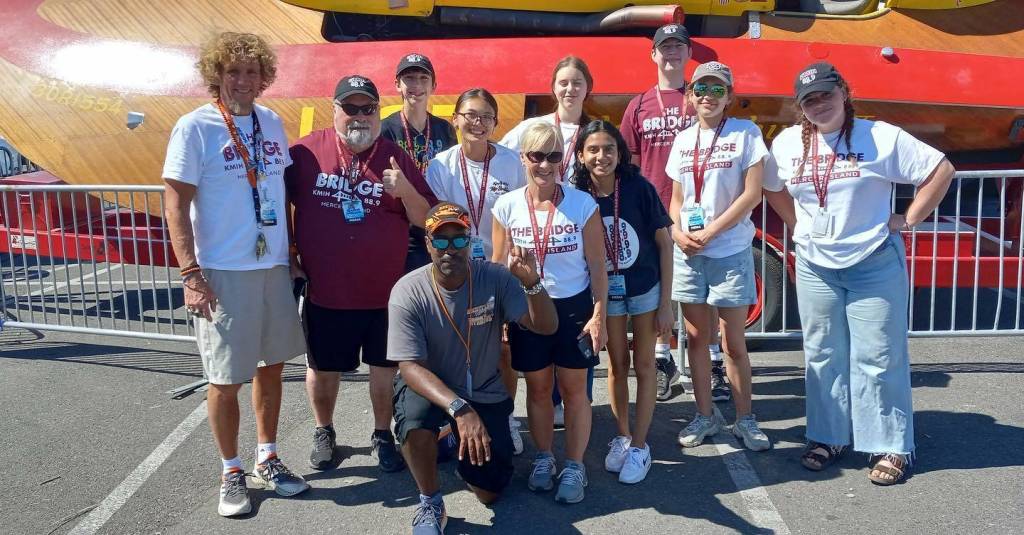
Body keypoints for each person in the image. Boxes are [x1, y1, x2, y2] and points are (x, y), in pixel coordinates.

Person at [763, 62, 954, 484]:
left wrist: (908, 219)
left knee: (879, 356)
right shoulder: (788, 143)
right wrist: (797, 225)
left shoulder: (878, 135)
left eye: (826, 95)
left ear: (844, 93)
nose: (819, 104)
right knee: (823, 354)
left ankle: (891, 445)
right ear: (800, 107)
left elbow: (940, 170)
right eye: (809, 99)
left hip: (872, 261)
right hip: (816, 264)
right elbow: (772, 185)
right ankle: (829, 436)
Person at [163, 32, 308, 517]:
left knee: (271, 368)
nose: (243, 80)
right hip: (224, 270)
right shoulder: (195, 127)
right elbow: (175, 204)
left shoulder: (271, 121)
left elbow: (280, 192)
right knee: (225, 379)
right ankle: (231, 469)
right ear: (217, 75)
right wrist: (190, 273)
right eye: (233, 72)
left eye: (251, 71)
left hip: (271, 266)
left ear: (263, 76)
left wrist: (291, 252)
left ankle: (268, 456)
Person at [286, 74, 436, 474]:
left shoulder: (393, 155)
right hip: (326, 291)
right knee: (322, 368)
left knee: (383, 371)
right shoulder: (304, 152)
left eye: (368, 108)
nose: (360, 116)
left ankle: (381, 434)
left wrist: (404, 190)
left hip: (383, 293)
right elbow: (271, 200)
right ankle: (324, 430)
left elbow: (427, 220)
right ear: (333, 110)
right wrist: (288, 254)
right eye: (350, 108)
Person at [388, 202, 557, 535]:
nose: (449, 249)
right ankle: (431, 501)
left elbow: (546, 326)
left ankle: (453, 442)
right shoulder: (408, 291)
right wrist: (460, 410)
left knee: (490, 493)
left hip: (483, 388)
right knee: (416, 421)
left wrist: (532, 282)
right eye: (440, 240)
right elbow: (408, 366)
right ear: (427, 243)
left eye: (458, 239)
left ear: (470, 241)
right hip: (432, 388)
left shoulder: (494, 278)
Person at [492, 121, 608, 504]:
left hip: (573, 308)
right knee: (539, 390)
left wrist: (599, 315)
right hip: (526, 309)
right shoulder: (507, 206)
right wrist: (500, 319)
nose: (545, 164)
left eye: (554, 156)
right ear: (524, 157)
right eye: (537, 156)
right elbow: (496, 265)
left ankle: (574, 465)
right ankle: (544, 457)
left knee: (575, 392)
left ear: (563, 159)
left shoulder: (581, 204)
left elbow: (596, 265)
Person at [666, 61, 772, 452]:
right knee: (695, 340)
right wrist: (678, 231)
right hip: (690, 252)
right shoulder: (682, 140)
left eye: (716, 90)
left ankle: (746, 420)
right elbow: (677, 199)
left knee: (733, 344)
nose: (707, 96)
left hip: (729, 249)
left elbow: (751, 195)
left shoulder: (747, 133)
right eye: (701, 89)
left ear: (728, 97)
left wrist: (711, 231)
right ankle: (704, 416)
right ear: (691, 96)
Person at [570, 120, 674, 484]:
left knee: (644, 364)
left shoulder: (638, 188)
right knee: (617, 364)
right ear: (581, 155)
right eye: (593, 150)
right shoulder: (575, 195)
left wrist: (666, 302)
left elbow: (664, 243)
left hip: (644, 288)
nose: (602, 156)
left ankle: (641, 446)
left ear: (620, 152)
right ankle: (623, 436)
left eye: (609, 149)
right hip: (606, 292)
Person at [425, 88, 527, 453]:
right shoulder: (440, 165)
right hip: (456, 268)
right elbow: (438, 221)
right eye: (470, 115)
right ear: (455, 119)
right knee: (455, 349)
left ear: (496, 123)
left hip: (499, 270)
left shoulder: (512, 163)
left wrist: (506, 270)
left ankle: (507, 418)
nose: (478, 123)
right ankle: (457, 421)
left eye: (486, 117)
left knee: (502, 351)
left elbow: (521, 217)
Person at [620, 23, 716, 402]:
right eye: (665, 47)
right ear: (654, 55)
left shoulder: (702, 96)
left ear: (688, 53)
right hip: (653, 212)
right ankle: (663, 360)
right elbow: (629, 161)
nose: (672, 52)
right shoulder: (639, 104)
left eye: (679, 46)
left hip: (699, 211)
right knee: (659, 289)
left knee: (702, 292)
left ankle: (712, 361)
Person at [381, 53, 459, 274]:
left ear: (434, 85)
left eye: (423, 78)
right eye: (409, 78)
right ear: (397, 84)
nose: (416, 85)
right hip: (402, 230)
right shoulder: (384, 130)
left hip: (437, 228)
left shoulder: (445, 129)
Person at [499, 55, 594, 185]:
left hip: (578, 204)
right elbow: (498, 157)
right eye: (563, 83)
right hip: (536, 204)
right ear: (554, 88)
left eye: (577, 83)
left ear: (588, 87)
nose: (570, 88)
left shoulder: (594, 134)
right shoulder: (532, 126)